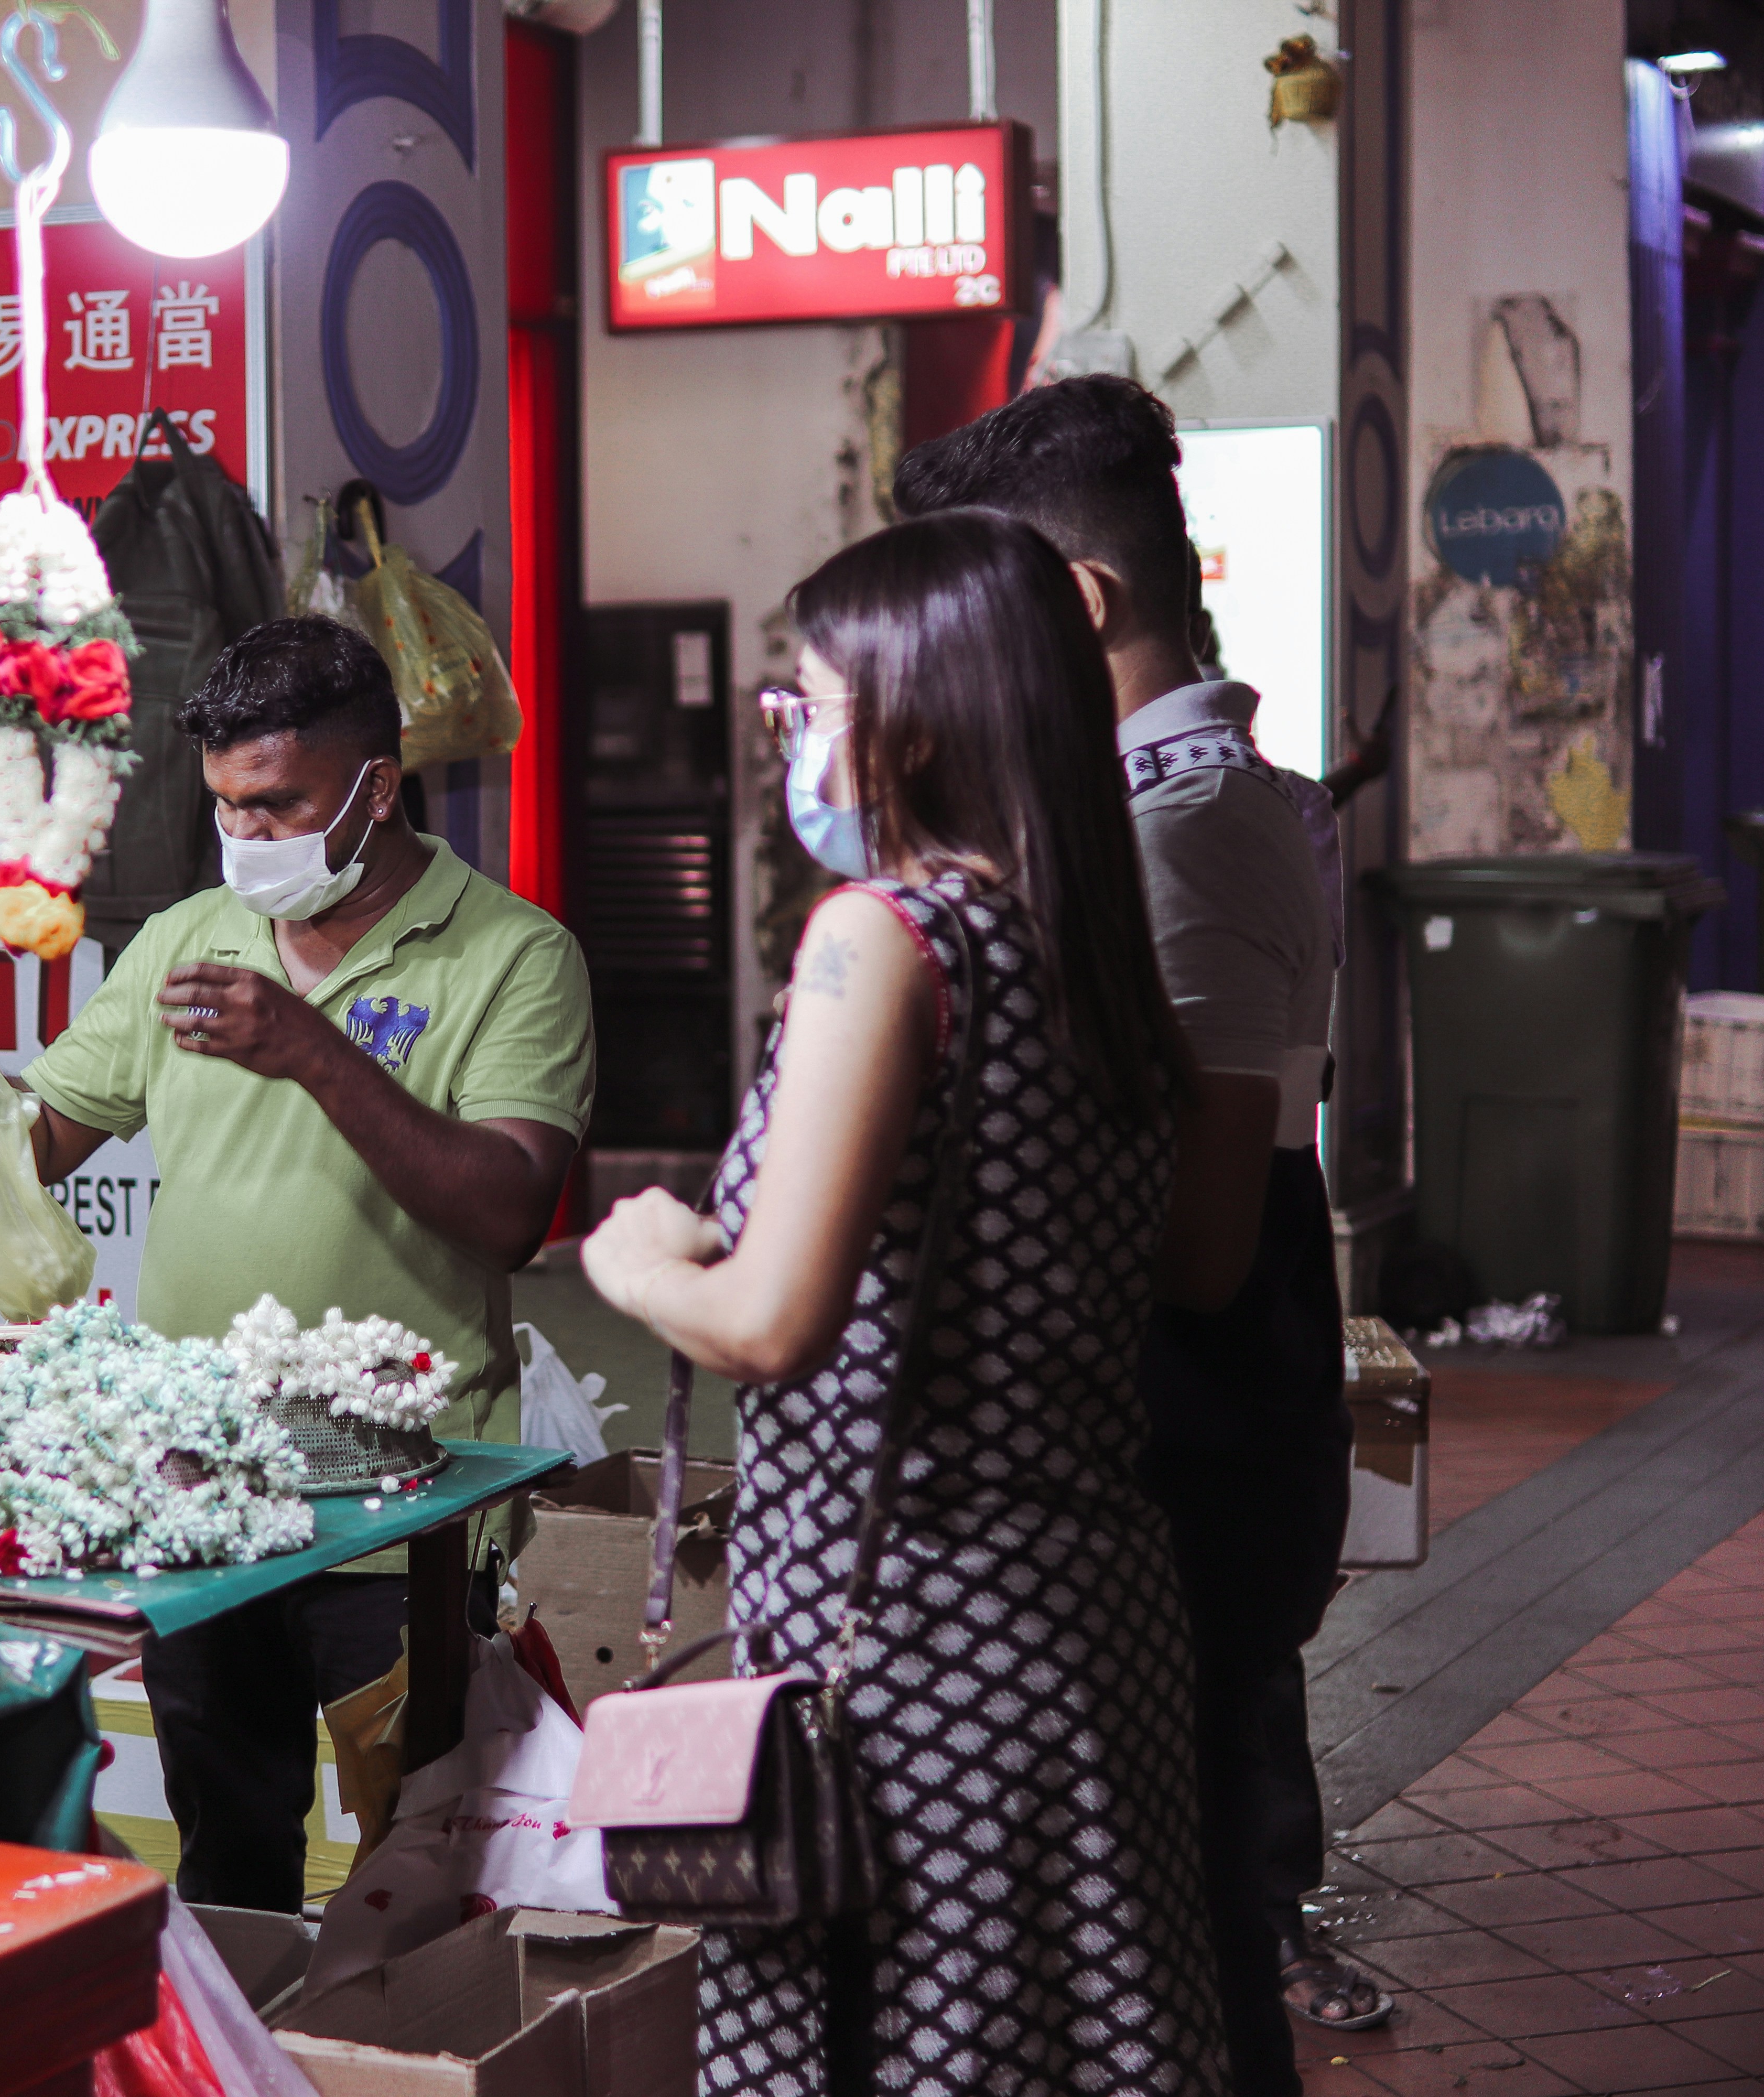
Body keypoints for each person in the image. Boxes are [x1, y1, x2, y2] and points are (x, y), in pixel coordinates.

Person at [582, 511, 1230, 2097]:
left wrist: (639, 1256)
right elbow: (1192, 1264)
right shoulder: (1085, 949)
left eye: (810, 703)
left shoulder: (888, 941)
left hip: (910, 1669)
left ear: (921, 720)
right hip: (1086, 1643)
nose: (792, 742)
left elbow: (773, 1322)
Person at [896, 375, 1372, 2094]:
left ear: (1075, 606)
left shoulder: (1179, 836)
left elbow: (1196, 1242)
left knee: (1189, 1930)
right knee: (1170, 1919)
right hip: (1195, 1425)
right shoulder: (1174, 808)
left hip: (1189, 1429)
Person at [14, 614, 593, 1913]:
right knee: (228, 1851)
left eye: (276, 806)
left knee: (434, 1855)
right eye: (227, 808)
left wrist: (312, 1049)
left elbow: (508, 1210)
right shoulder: (185, 940)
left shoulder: (513, 955)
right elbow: (36, 1143)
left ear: (375, 788)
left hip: (404, 1512)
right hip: (204, 1498)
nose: (246, 841)